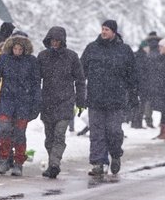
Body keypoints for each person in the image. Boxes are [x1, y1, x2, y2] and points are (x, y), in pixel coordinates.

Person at [80, 20, 136, 180]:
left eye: (107, 29)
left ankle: (116, 154)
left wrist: (133, 95)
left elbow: (132, 76)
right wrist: (80, 92)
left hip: (116, 99)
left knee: (114, 131)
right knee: (96, 133)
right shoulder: (92, 48)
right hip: (95, 98)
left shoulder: (124, 50)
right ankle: (98, 163)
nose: (104, 32)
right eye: (102, 29)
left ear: (114, 32)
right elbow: (81, 71)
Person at [0, 32, 41, 177]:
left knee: (19, 133)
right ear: (11, 48)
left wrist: (36, 104)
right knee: (4, 130)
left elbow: (36, 84)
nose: (17, 52)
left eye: (20, 49)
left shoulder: (31, 61)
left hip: (24, 102)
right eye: (15, 49)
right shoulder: (4, 59)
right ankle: (4, 159)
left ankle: (18, 162)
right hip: (6, 99)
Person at [37, 27, 85, 178]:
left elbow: (80, 80)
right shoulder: (42, 56)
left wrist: (80, 100)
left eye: (57, 40)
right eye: (52, 40)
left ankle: (54, 164)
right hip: (47, 101)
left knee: (59, 135)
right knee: (49, 137)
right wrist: (35, 98)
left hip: (65, 101)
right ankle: (53, 161)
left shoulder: (71, 57)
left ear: (62, 41)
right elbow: (35, 79)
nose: (55, 43)